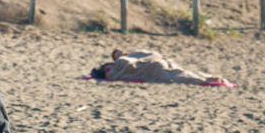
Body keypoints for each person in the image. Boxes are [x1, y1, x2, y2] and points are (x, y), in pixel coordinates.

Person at [89, 48, 229, 84]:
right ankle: (210, 78)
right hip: (156, 65)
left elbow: (118, 73)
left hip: (157, 64)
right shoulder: (123, 61)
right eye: (115, 56)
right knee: (178, 74)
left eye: (118, 53)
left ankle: (208, 79)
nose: (118, 56)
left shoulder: (131, 56)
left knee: (176, 75)